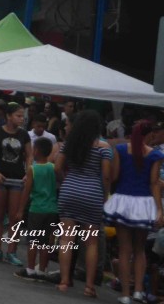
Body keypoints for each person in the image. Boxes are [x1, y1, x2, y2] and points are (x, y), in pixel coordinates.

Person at [103, 119, 164, 303]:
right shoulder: (155, 155)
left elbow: (114, 176)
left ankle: (125, 294)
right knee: (139, 250)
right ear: (150, 135)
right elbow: (154, 184)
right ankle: (138, 291)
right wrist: (159, 210)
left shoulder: (121, 150)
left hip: (123, 199)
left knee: (124, 250)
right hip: (143, 203)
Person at [55, 110, 111, 297]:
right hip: (93, 194)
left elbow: (57, 167)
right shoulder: (103, 147)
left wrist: (66, 182)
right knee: (92, 242)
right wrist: (104, 195)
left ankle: (63, 281)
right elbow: (106, 175)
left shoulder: (69, 145)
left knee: (66, 240)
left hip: (69, 190)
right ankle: (89, 286)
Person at [0, 102, 31, 265]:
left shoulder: (24, 135)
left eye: (22, 116)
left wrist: (28, 173)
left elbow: (28, 155)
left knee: (15, 217)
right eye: (18, 116)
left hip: (17, 178)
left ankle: (12, 250)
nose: (21, 119)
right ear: (8, 116)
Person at [15, 137, 58, 281]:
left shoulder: (32, 169)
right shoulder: (53, 167)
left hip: (37, 208)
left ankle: (31, 269)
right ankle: (43, 270)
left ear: (37, 151)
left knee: (33, 240)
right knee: (45, 242)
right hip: (52, 208)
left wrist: (20, 210)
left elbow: (26, 191)